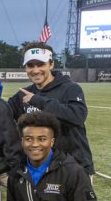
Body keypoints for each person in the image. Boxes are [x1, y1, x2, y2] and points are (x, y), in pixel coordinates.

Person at [8, 43, 94, 175]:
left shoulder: (70, 88)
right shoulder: (24, 94)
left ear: (51, 64)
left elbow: (77, 116)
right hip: (39, 168)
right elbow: (2, 113)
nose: (35, 70)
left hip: (74, 167)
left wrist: (38, 100)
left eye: (41, 64)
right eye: (30, 65)